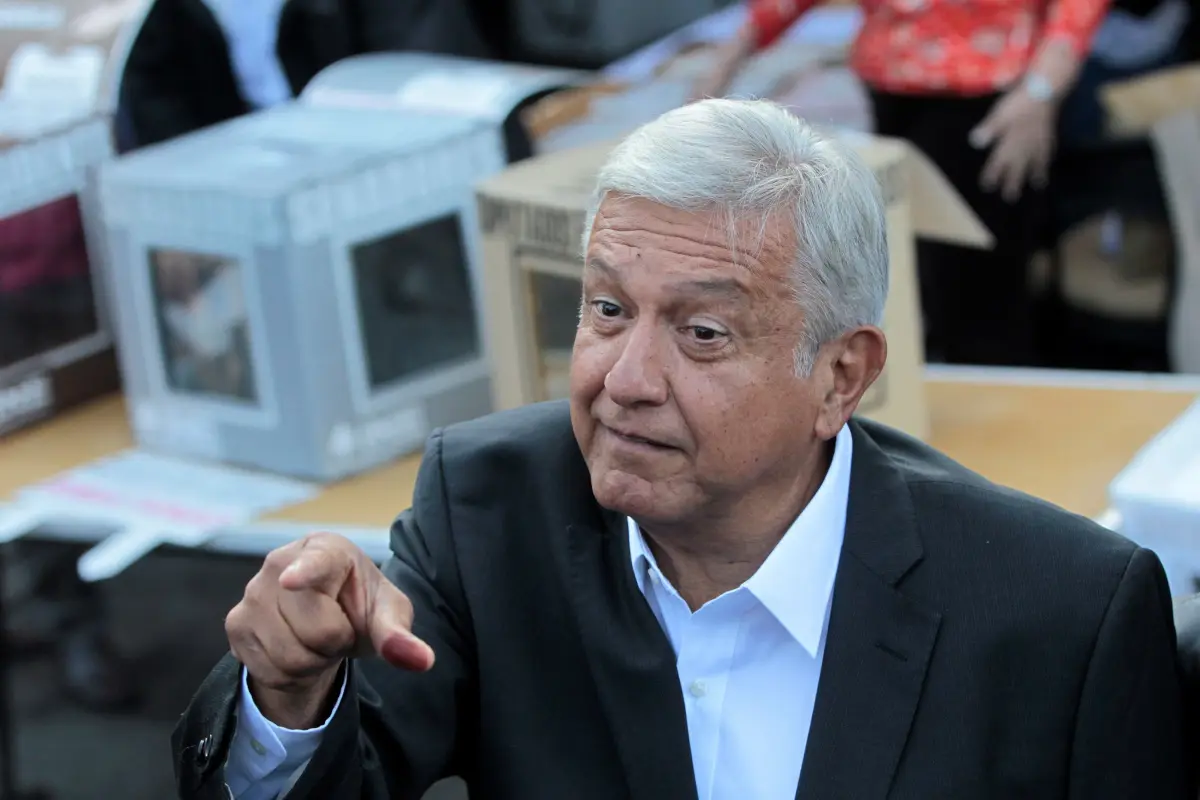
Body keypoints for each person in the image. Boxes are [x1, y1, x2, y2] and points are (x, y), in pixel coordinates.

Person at [172, 100, 1192, 800]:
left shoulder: (1061, 612)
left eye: (703, 332)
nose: (624, 377)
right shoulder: (489, 513)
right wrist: (289, 698)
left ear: (841, 375)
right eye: (607, 308)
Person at [695, 0, 1110, 366]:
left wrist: (1041, 91)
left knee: (980, 293)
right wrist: (719, 72)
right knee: (911, 282)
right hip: (894, 95)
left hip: (990, 102)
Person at [118, 0, 493, 150]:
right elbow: (153, 95)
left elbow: (421, 88)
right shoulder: (160, 13)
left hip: (369, 165)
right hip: (242, 169)